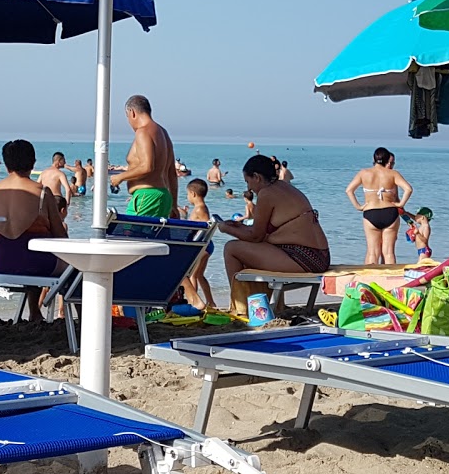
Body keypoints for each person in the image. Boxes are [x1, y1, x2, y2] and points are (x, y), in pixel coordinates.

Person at [215, 156, 332, 310]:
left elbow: (256, 237)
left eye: (247, 181)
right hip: (319, 256)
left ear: (256, 177)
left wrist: (226, 228)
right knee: (254, 247)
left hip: (303, 257)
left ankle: (241, 306)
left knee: (231, 248)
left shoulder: (266, 194)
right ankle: (277, 305)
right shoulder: (285, 187)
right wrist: (238, 227)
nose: (249, 188)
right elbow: (261, 233)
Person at [0, 139, 68, 320]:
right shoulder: (42, 193)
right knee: (76, 269)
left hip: (3, 265)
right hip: (39, 266)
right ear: (33, 163)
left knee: (22, 253)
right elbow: (59, 235)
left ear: (6, 165)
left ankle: (35, 311)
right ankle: (79, 321)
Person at [112, 94, 178, 218]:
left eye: (127, 117)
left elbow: (147, 166)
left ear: (132, 113)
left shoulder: (142, 131)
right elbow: (171, 173)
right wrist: (174, 204)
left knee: (129, 235)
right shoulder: (163, 133)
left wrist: (120, 177)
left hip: (146, 196)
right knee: (153, 237)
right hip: (163, 196)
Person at [347, 147, 413, 265]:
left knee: (373, 252)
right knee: (389, 252)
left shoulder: (364, 173)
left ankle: (370, 279)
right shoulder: (393, 174)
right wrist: (401, 204)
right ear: (387, 159)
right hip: (390, 212)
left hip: (371, 213)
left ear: (374, 158)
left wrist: (358, 206)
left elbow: (349, 190)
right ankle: (389, 280)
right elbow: (408, 189)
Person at [179, 178, 217, 312]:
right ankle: (211, 302)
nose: (188, 197)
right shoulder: (200, 208)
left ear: (193, 194)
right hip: (206, 246)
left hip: (203, 246)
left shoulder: (199, 209)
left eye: (188, 194)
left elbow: (206, 225)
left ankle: (193, 302)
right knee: (200, 276)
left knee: (192, 276)